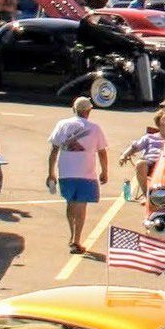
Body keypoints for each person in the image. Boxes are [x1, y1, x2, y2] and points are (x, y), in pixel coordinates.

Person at [46, 96, 108, 255]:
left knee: (70, 204)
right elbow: (102, 152)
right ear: (89, 111)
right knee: (81, 206)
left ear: (74, 110)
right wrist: (105, 171)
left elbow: (54, 151)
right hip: (86, 173)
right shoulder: (95, 128)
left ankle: (73, 236)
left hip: (66, 172)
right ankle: (76, 240)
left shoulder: (62, 124)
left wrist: (51, 173)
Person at [118, 109, 165, 201]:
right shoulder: (149, 137)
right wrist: (124, 155)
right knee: (140, 164)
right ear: (160, 124)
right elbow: (135, 147)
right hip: (150, 163)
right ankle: (148, 196)